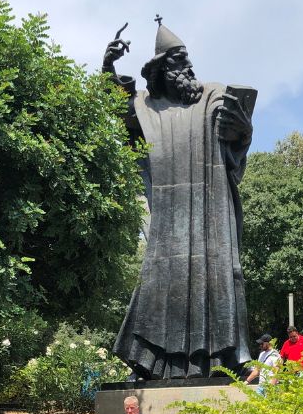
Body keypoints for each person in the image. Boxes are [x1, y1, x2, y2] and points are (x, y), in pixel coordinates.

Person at [103, 19, 255, 379]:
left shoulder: (213, 95)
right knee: (159, 280)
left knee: (218, 277)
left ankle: (222, 361)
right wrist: (107, 69)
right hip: (169, 216)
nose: (186, 67)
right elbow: (117, 111)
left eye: (187, 59)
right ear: (160, 70)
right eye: (177, 61)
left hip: (211, 210)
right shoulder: (146, 106)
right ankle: (149, 364)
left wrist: (243, 132)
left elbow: (239, 135)